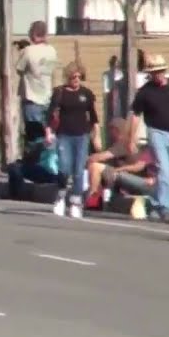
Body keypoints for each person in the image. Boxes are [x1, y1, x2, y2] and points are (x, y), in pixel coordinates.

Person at [131, 54, 169, 224]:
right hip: (156, 132)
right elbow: (135, 115)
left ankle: (156, 203)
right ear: (150, 73)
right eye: (155, 72)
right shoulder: (145, 92)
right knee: (163, 168)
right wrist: (131, 137)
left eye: (161, 71)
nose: (159, 74)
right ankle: (166, 206)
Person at [45, 62, 99, 219]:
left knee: (79, 170)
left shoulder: (86, 94)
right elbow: (50, 115)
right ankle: (61, 197)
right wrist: (48, 132)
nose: (76, 79)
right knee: (64, 168)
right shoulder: (60, 93)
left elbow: (93, 117)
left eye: (79, 77)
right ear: (68, 77)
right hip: (64, 135)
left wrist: (96, 135)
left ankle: (76, 202)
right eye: (73, 77)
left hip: (82, 136)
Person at [16, 21, 58, 134]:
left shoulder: (28, 51)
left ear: (33, 33)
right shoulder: (52, 50)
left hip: (32, 99)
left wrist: (21, 52)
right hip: (48, 98)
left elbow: (19, 69)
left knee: (34, 137)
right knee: (48, 134)